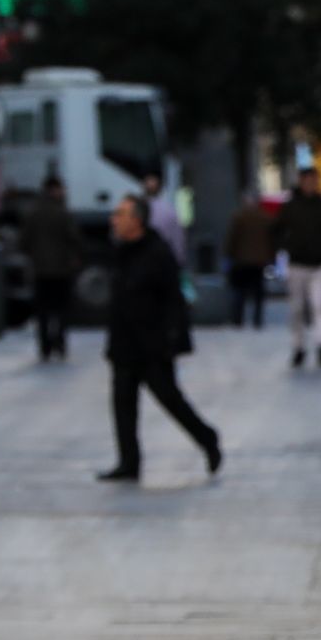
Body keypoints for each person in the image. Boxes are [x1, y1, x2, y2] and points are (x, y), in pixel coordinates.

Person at [103, 193, 221, 483]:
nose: (114, 219)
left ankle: (207, 438)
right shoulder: (121, 251)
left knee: (171, 400)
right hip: (125, 343)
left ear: (136, 221)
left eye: (120, 214)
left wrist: (171, 340)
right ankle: (128, 462)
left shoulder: (158, 253)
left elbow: (173, 303)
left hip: (152, 344)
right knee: (123, 405)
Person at [275, 163, 321, 370]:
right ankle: (298, 346)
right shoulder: (290, 206)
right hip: (297, 263)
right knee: (296, 308)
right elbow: (278, 230)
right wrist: (285, 248)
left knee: (319, 305)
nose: (311, 185)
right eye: (307, 181)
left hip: (319, 265)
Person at [22, 176, 82, 363]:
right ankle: (60, 344)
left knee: (43, 312)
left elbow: (23, 241)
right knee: (61, 311)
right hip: (61, 270)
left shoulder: (33, 213)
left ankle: (45, 347)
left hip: (40, 270)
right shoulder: (63, 213)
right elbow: (74, 239)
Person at [223, 197, 274, 329]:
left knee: (240, 292)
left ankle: (238, 320)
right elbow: (271, 240)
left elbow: (232, 239)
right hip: (259, 260)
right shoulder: (265, 218)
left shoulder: (239, 217)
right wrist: (270, 256)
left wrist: (229, 255)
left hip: (242, 260)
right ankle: (257, 320)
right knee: (258, 293)